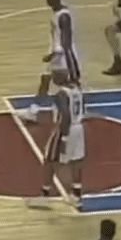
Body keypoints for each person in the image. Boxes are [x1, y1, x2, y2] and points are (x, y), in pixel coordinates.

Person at [32, 69, 85, 208]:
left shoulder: (61, 94)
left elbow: (65, 115)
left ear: (57, 79)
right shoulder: (77, 89)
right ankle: (76, 195)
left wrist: (64, 137)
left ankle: (44, 196)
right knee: (76, 160)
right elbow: (83, 108)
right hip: (79, 127)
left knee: (49, 160)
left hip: (64, 129)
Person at [38, 0, 81, 96]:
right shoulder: (57, 13)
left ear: (56, 0)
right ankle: (39, 103)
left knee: (63, 82)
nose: (48, 0)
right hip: (55, 52)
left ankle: (78, 98)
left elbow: (66, 42)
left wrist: (53, 55)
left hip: (63, 57)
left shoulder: (63, 17)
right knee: (45, 78)